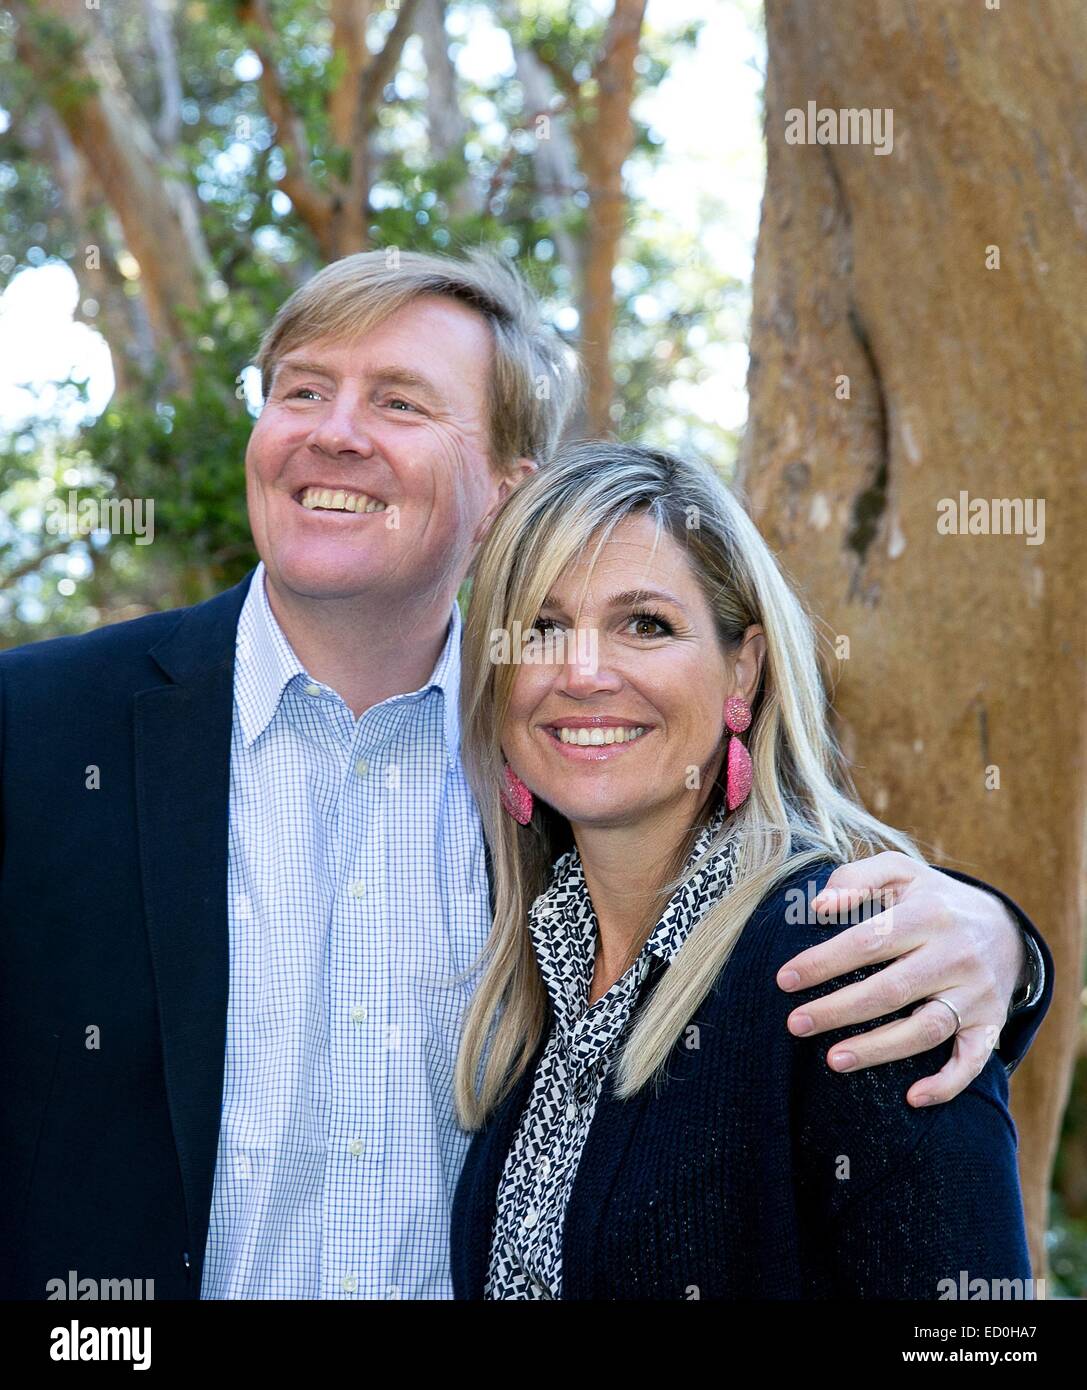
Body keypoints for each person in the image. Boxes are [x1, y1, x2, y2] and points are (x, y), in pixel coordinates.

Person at [0, 251, 1049, 1300]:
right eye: (302, 390)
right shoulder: (38, 728)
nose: (335, 431)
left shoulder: (570, 771)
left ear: (508, 487)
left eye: (400, 401)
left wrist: (1004, 946)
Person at [450, 441, 1035, 1299]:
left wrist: (1013, 947)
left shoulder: (854, 959)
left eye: (643, 624)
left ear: (743, 667)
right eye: (540, 628)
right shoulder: (536, 976)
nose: (581, 673)